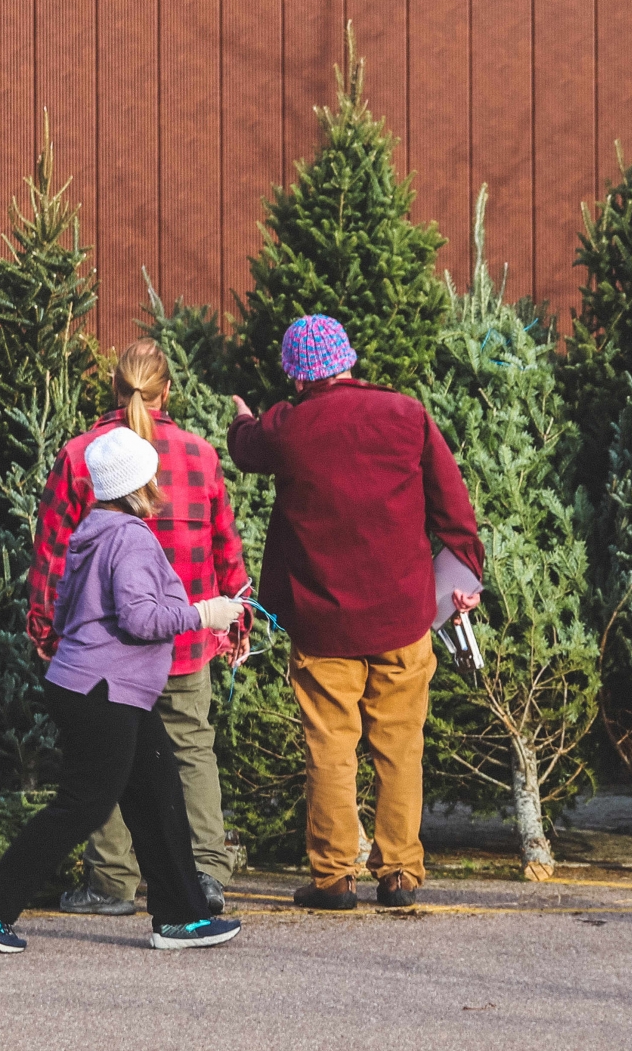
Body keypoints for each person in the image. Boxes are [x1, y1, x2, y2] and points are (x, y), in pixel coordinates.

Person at [0, 426, 246, 954]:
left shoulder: (93, 530)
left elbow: (66, 607)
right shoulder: (130, 536)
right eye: (154, 478)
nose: (160, 485)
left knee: (157, 794)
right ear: (138, 487)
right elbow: (139, 618)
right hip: (104, 691)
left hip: (104, 688)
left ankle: (181, 916)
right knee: (84, 804)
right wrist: (207, 612)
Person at [229, 314, 484, 911]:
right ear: (348, 361)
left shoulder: (288, 425)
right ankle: (399, 873)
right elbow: (455, 514)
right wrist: (460, 580)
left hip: (322, 624)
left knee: (330, 747)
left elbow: (245, 451)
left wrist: (242, 418)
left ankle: (334, 876)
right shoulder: (406, 414)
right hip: (403, 617)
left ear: (297, 376)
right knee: (400, 746)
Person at [26, 340, 251, 916]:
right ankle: (204, 875)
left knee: (107, 760)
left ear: (112, 388)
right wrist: (236, 614)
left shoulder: (82, 456)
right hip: (184, 637)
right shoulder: (200, 454)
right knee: (192, 749)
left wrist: (47, 628)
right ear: (167, 390)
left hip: (104, 649)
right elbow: (225, 543)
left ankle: (112, 882)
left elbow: (54, 552)